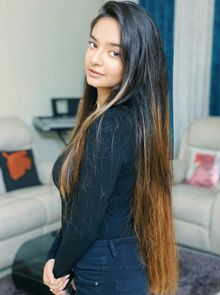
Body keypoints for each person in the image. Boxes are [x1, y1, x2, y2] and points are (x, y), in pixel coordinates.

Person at [43, 1, 179, 294]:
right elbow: (76, 207)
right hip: (116, 260)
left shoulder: (112, 125)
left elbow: (86, 220)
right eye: (93, 44)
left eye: (114, 52)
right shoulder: (116, 117)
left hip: (104, 269)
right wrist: (55, 253)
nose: (96, 59)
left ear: (136, 62)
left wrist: (57, 270)